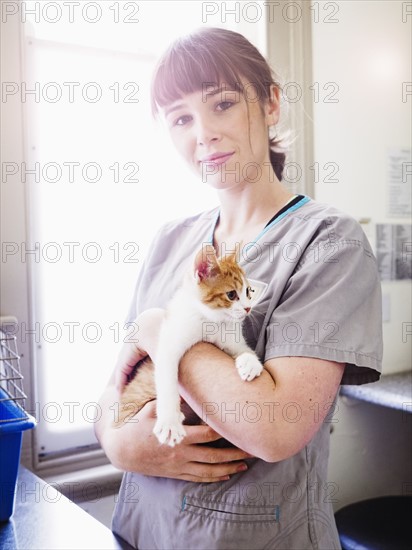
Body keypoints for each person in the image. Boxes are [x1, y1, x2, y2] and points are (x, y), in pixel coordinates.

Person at [95, 27, 383, 549]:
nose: (202, 133)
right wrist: (119, 448)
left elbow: (275, 428)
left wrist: (165, 334)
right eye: (181, 118)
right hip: (141, 533)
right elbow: (112, 400)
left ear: (271, 104)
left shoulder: (326, 242)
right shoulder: (169, 241)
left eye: (223, 104)